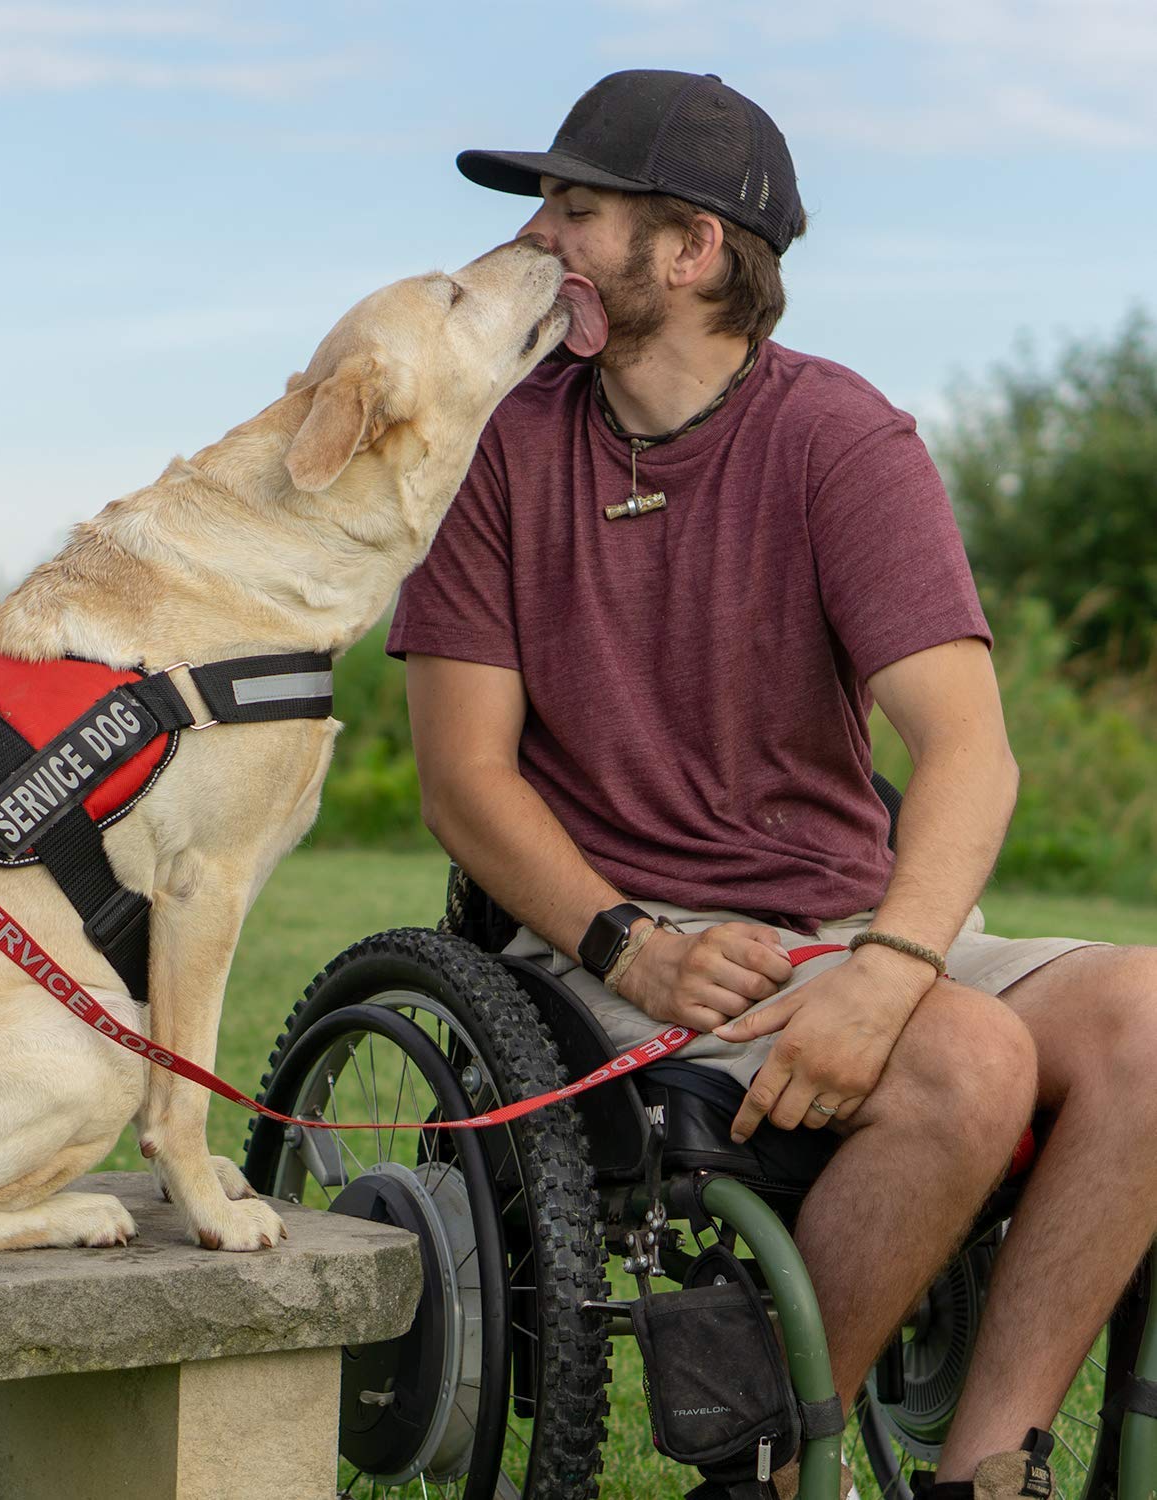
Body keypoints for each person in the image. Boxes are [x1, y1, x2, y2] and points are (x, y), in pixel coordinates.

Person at [386, 69, 1157, 1499]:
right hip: (618, 936)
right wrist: (630, 941)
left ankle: (988, 1463)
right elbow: (463, 777)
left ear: (689, 250)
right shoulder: (496, 444)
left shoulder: (838, 439)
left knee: (1152, 1022)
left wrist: (893, 965)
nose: (535, 241)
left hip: (849, 921)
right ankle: (764, 1467)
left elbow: (970, 750)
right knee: (969, 1063)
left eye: (575, 209)